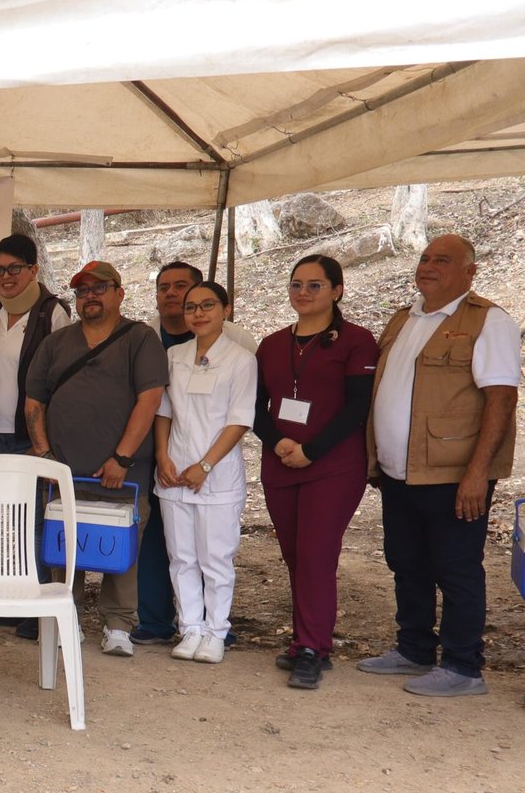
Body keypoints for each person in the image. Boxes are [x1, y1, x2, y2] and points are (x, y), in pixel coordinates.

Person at [359, 235, 520, 697]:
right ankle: (413, 648)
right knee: (406, 562)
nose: (428, 266)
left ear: (470, 272)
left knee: (456, 569)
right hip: (400, 472)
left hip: (453, 475)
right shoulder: (405, 318)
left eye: (442, 260)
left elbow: (501, 399)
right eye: (425, 258)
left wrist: (477, 474)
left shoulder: (488, 321)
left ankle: (463, 666)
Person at [24, 260, 169, 657]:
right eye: (82, 290)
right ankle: (64, 616)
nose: (90, 296)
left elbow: (150, 399)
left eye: (99, 288)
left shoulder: (140, 339)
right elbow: (34, 401)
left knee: (122, 547)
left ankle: (118, 624)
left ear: (119, 293)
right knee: (63, 546)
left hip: (123, 471)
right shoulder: (56, 343)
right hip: (64, 472)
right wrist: (44, 455)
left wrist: (122, 458)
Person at [253, 255, 377, 690]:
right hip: (281, 462)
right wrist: (278, 443)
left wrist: (312, 450)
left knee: (316, 554)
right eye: (296, 284)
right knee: (295, 554)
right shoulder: (271, 344)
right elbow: (255, 407)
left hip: (333, 465)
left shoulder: (356, 341)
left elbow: (358, 405)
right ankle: (306, 639)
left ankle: (311, 647)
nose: (303, 292)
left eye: (315, 285)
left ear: (337, 291)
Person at [134, 261, 260, 648]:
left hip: (216, 475)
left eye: (207, 306)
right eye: (191, 307)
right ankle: (190, 629)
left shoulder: (241, 359)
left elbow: (239, 420)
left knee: (215, 560)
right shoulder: (174, 356)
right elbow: (163, 412)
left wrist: (205, 465)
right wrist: (163, 456)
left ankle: (216, 632)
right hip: (174, 472)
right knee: (182, 558)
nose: (198, 313)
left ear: (225, 310)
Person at [0, 233, 69, 639]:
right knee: (7, 521)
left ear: (33, 269)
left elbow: (61, 381)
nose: (6, 276)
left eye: (14, 268)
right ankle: (12, 598)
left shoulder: (53, 313)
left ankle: (35, 608)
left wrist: (45, 443)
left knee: (35, 522)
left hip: (34, 437)